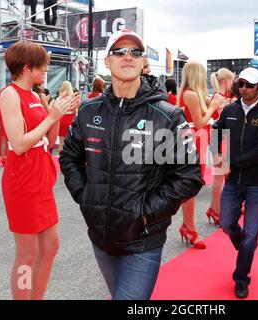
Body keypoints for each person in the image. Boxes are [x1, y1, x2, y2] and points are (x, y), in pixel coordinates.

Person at [59, 29, 203, 300]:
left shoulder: (168, 116)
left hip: (143, 240)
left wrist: (147, 214)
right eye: (119, 51)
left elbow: (189, 176)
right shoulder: (89, 111)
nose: (128, 56)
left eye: (135, 52)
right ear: (107, 61)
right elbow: (69, 158)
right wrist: (86, 197)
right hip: (100, 237)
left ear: (142, 61)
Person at [0, 41, 78, 300]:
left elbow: (49, 140)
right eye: (42, 65)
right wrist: (51, 117)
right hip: (22, 182)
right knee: (27, 252)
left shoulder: (34, 95)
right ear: (27, 66)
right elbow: (19, 144)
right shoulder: (10, 94)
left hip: (41, 179)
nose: (46, 69)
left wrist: (61, 110)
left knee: (51, 246)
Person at [210, 67, 258, 299]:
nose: (244, 88)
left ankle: (241, 278)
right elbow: (215, 132)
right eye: (241, 84)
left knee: (251, 236)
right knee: (227, 224)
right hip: (233, 181)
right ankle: (246, 251)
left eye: (249, 85)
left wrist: (233, 162)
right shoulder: (230, 109)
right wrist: (218, 155)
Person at [178, 61, 225, 249]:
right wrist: (213, 107)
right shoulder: (190, 94)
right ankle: (188, 227)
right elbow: (199, 122)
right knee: (191, 185)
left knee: (192, 185)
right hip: (193, 141)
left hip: (198, 141)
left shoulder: (192, 94)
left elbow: (209, 119)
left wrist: (213, 106)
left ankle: (188, 226)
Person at [206, 68, 235, 225]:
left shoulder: (221, 96)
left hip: (223, 138)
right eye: (231, 81)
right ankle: (215, 210)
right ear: (226, 81)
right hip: (220, 138)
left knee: (220, 177)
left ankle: (214, 208)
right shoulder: (219, 96)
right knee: (219, 178)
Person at [58, 81, 77, 154]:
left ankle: (60, 159)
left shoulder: (60, 98)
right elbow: (74, 112)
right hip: (70, 119)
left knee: (61, 142)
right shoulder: (72, 98)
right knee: (70, 142)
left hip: (61, 119)